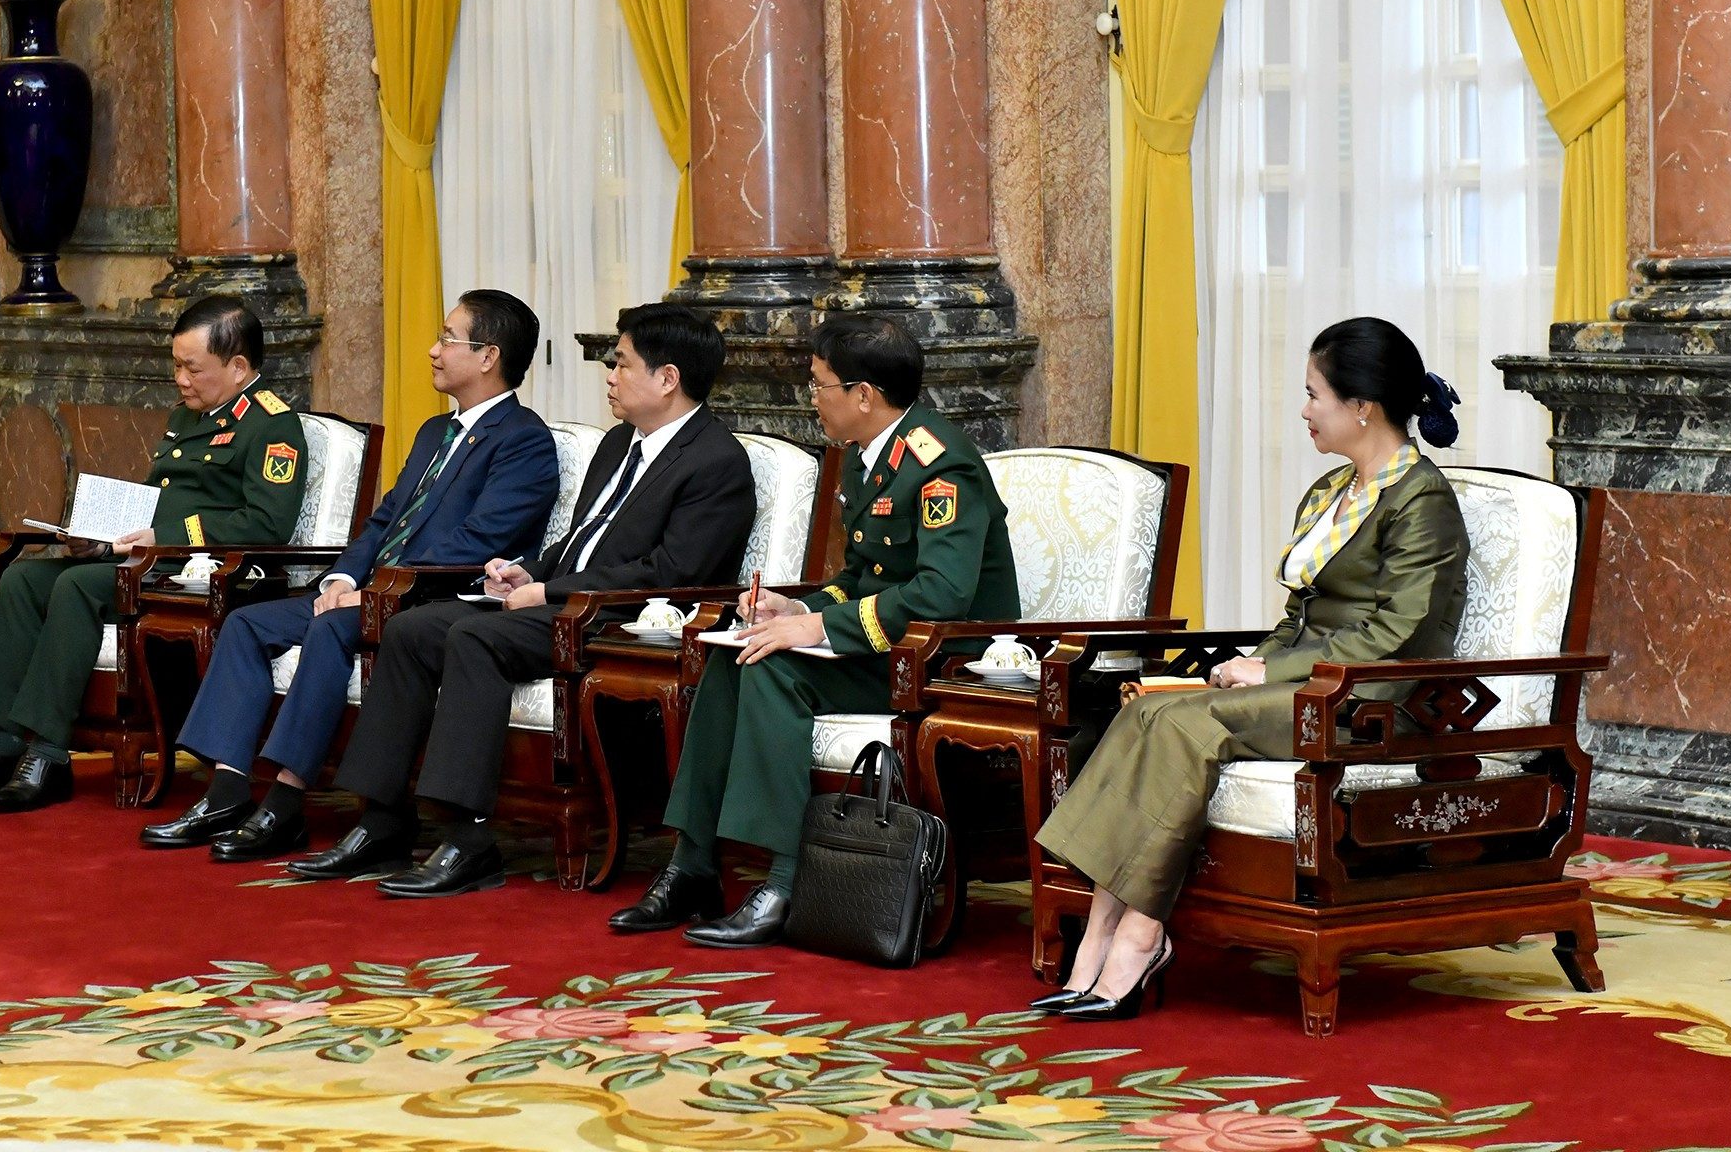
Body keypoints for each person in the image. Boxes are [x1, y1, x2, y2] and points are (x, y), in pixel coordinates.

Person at [1029, 317, 1468, 1022]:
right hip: (1305, 681)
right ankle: (1100, 936)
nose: (1303, 411)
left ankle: (1138, 936)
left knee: (1183, 730)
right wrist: (1256, 661)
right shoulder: (1332, 492)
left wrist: (1276, 673)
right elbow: (1301, 612)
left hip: (1371, 697)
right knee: (1144, 709)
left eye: (1313, 395)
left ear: (1362, 407)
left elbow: (1396, 633)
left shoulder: (1423, 502)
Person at [284, 303, 757, 894]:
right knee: (413, 627)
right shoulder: (618, 444)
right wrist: (522, 571)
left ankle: (468, 838)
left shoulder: (717, 461)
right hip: (562, 600)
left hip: (620, 619)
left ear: (667, 379)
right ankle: (383, 820)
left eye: (622, 364)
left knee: (474, 636)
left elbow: (673, 570)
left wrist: (548, 590)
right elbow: (582, 540)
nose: (609, 375)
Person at [608, 314, 1021, 948]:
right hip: (882, 644)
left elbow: (943, 595)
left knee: (774, 668)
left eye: (820, 385)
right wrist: (792, 612)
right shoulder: (867, 456)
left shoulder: (942, 465)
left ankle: (785, 881)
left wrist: (818, 629)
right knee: (737, 653)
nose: (813, 398)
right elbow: (860, 575)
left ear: (864, 395)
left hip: (940, 659)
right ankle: (691, 866)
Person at [138, 290, 560, 860]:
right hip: (373, 589)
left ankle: (285, 804)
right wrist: (343, 576)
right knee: (246, 624)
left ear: (488, 356)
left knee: (332, 629)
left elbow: (484, 539)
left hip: (432, 600)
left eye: (447, 339)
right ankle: (227, 790)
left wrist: (378, 585)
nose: (433, 350)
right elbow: (385, 518)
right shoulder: (437, 433)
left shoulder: (523, 440)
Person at [0, 296, 310, 813]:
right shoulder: (187, 416)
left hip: (201, 571)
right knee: (23, 581)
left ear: (238, 367)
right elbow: (158, 498)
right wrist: (101, 537)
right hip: (149, 557)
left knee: (76, 586)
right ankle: (1, 745)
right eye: (176, 365)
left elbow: (266, 524)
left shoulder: (272, 425)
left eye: (193, 368)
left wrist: (161, 536)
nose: (181, 379)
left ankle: (48, 755)